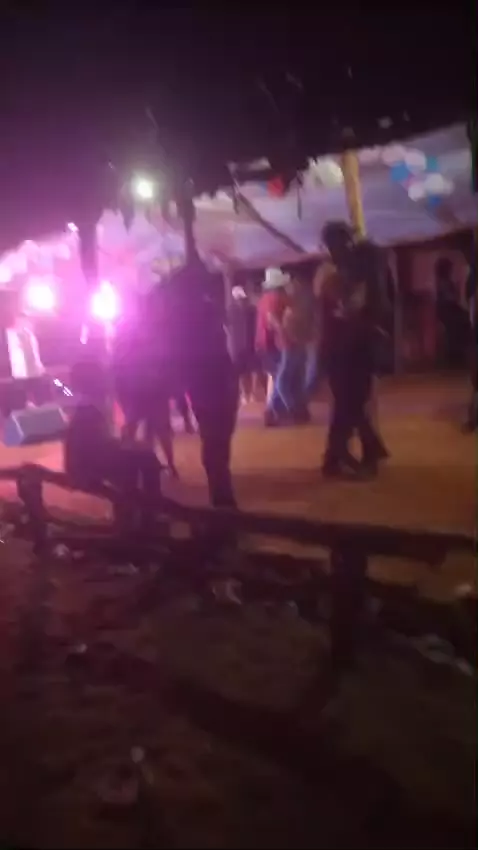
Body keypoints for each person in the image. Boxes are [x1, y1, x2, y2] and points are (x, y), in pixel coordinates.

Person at [149, 257, 238, 508]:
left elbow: (174, 354)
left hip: (207, 384)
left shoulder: (183, 315)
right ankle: (223, 500)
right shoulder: (200, 312)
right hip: (215, 382)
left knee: (215, 443)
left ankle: (222, 499)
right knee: (217, 443)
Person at [318, 221, 389, 478]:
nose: (332, 250)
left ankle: (349, 455)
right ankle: (345, 455)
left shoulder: (355, 270)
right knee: (351, 403)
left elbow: (351, 309)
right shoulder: (358, 269)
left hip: (351, 347)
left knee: (351, 403)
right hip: (351, 346)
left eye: (333, 245)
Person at [64, 355, 164, 532]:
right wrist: (128, 446)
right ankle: (146, 516)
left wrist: (127, 446)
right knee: (140, 461)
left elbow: (98, 444)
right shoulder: (89, 408)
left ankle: (137, 517)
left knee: (139, 459)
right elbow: (97, 447)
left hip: (85, 461)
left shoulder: (89, 405)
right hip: (84, 466)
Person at [112, 297, 178, 477]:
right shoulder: (146, 330)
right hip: (142, 389)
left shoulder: (130, 329)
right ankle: (163, 466)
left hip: (145, 389)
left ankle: (161, 466)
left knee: (152, 429)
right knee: (150, 429)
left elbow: (119, 363)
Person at [256, 267, 305, 426]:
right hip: (274, 344)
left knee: (279, 378)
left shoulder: (266, 298)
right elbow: (272, 318)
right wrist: (283, 332)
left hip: (268, 343)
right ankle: (286, 410)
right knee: (281, 379)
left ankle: (272, 412)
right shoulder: (275, 297)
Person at [434, 257, 470, 370]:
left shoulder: (446, 282)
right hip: (448, 313)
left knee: (459, 328)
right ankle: (455, 358)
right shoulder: (443, 283)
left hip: (450, 312)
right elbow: (450, 299)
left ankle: (456, 357)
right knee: (458, 329)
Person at [227, 285, 257, 404]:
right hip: (241, 344)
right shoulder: (236, 311)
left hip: (245, 344)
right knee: (244, 371)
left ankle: (251, 393)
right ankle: (247, 394)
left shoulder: (248, 310)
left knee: (251, 369)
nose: (241, 300)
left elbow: (226, 327)